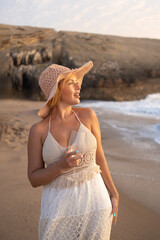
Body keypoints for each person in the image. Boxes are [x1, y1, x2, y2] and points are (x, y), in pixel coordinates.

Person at [27, 61, 119, 240]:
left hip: (97, 204)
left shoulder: (88, 116)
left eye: (77, 81)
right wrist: (60, 166)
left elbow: (99, 157)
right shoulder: (38, 131)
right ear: (56, 90)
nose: (78, 85)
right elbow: (33, 178)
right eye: (71, 82)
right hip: (58, 211)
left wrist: (114, 194)